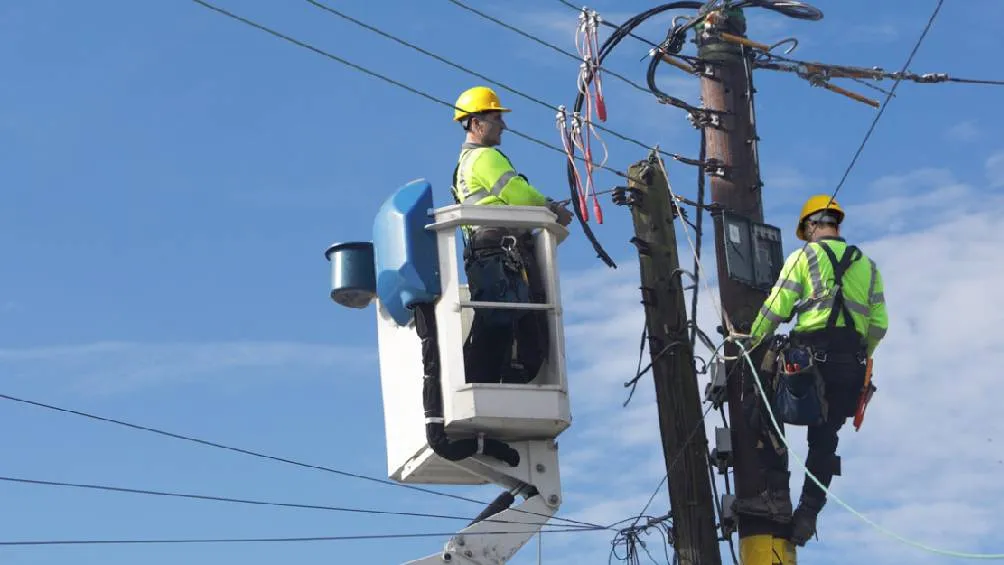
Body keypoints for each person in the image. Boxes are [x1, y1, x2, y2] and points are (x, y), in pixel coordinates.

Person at [738, 194, 889, 545]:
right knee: (824, 440)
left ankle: (775, 491)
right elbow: (880, 324)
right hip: (850, 369)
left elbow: (777, 307)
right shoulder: (868, 266)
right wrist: (859, 355)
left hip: (807, 363)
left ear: (809, 226)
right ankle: (808, 513)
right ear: (835, 223)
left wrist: (749, 342)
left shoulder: (804, 257)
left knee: (760, 402)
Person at [449, 86, 574, 385]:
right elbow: (516, 193)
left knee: (499, 321)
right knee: (519, 321)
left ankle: (488, 378)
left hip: (486, 254)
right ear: (476, 123)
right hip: (500, 251)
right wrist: (551, 208)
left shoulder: (464, 165)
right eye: (496, 118)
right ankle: (502, 377)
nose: (503, 125)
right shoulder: (485, 158)